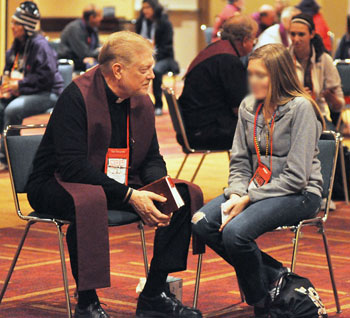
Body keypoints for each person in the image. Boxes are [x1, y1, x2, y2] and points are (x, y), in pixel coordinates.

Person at [26, 31, 203, 318]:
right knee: (89, 203)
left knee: (181, 195)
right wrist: (131, 196)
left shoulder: (140, 99)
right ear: (118, 71)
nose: (151, 78)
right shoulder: (77, 96)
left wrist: (157, 188)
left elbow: (152, 157)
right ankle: (87, 303)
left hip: (117, 182)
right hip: (56, 182)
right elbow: (72, 166)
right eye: (144, 70)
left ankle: (154, 293)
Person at [192, 44, 325, 318]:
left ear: (279, 76)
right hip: (254, 190)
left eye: (261, 75)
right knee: (201, 223)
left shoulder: (301, 109)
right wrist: (236, 195)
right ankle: (278, 278)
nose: (253, 81)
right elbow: (239, 161)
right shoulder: (248, 106)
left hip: (299, 193)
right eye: (250, 74)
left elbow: (297, 177)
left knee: (235, 234)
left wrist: (248, 199)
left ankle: (261, 304)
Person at [178, 15, 258, 150]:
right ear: (245, 40)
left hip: (194, 127)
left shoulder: (214, 49)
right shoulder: (228, 61)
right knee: (266, 133)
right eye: (254, 39)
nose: (254, 43)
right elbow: (241, 108)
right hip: (206, 132)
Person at [0, 1, 63, 171]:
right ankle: (3, 150)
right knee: (1, 105)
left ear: (26, 26)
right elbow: (9, 70)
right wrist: (4, 87)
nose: (12, 27)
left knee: (12, 110)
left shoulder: (40, 45)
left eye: (16, 23)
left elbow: (47, 78)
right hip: (27, 90)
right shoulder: (17, 44)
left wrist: (19, 86)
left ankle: (8, 157)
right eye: (12, 22)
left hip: (48, 93)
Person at [289, 14, 344, 130]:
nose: (296, 39)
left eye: (301, 34)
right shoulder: (284, 59)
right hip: (290, 116)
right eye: (292, 34)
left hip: (318, 116)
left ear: (312, 34)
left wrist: (331, 98)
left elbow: (339, 106)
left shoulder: (324, 60)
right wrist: (297, 96)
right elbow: (275, 97)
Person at [135, 0, 179, 116]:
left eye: (148, 8)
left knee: (155, 70)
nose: (145, 11)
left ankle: (158, 105)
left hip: (164, 58)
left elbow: (167, 47)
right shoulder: (141, 22)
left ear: (155, 8)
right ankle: (137, 103)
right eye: (143, 8)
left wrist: (153, 57)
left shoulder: (165, 23)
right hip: (144, 56)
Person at [58, 4, 102, 72]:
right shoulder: (75, 29)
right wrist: (99, 51)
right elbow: (84, 54)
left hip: (85, 61)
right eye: (99, 16)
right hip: (71, 64)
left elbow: (96, 47)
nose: (101, 18)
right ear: (91, 17)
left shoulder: (93, 29)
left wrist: (100, 50)